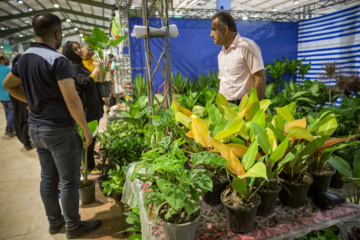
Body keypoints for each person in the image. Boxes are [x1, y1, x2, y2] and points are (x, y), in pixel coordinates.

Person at [3, 12, 102, 239]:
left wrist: (32, 100)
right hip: (59, 129)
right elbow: (72, 100)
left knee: (48, 179)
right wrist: (86, 129)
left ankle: (55, 223)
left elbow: (8, 85)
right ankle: (73, 226)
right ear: (57, 33)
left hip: (36, 129)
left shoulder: (23, 58)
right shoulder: (57, 60)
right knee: (68, 180)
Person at [62, 41, 104, 174]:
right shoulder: (73, 66)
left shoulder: (78, 64)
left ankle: (89, 164)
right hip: (87, 109)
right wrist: (96, 69)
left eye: (79, 48)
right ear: (70, 53)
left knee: (92, 137)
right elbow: (86, 83)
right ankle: (89, 167)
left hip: (91, 107)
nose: (79, 51)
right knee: (88, 139)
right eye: (75, 50)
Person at [210, 11, 266, 103]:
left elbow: (260, 78)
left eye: (214, 29)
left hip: (243, 104)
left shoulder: (247, 47)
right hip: (225, 106)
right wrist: (220, 105)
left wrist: (256, 108)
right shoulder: (221, 54)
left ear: (225, 29)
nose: (211, 34)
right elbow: (223, 83)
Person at [9, 54, 34, 150]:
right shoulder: (22, 75)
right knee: (24, 120)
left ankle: (25, 141)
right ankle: (26, 142)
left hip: (16, 100)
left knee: (20, 119)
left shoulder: (13, 75)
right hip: (22, 101)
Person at [0, 54, 15, 137]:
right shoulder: (8, 70)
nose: (8, 60)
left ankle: (11, 127)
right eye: (6, 59)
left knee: (7, 111)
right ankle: (9, 128)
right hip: (9, 95)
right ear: (1, 60)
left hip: (1, 96)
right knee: (12, 111)